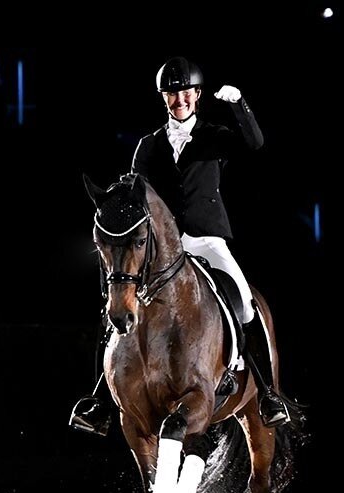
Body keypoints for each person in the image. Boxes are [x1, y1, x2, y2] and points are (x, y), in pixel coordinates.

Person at [70, 55, 290, 436]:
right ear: (164, 99)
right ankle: (101, 401)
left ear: (197, 94)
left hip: (207, 240)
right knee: (117, 311)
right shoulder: (148, 146)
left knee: (244, 303)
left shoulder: (214, 135)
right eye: (172, 95)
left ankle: (268, 395)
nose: (179, 100)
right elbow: (137, 197)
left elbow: (255, 143)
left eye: (185, 92)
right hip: (162, 250)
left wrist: (239, 104)